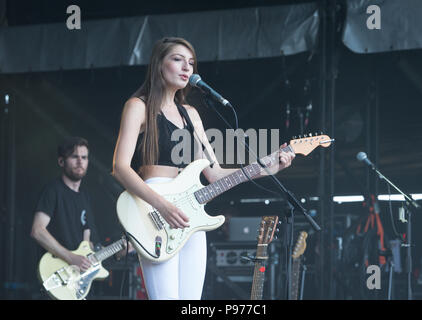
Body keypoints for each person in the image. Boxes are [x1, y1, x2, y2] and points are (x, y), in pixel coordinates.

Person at [112, 37, 295, 300]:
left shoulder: (191, 114)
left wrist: (269, 166)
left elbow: (215, 174)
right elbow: (120, 167)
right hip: (153, 208)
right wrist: (164, 206)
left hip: (189, 214)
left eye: (191, 63)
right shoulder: (138, 106)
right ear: (158, 65)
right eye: (177, 59)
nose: (187, 68)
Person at [31, 137, 97, 273]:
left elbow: (87, 242)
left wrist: (118, 251)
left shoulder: (85, 197)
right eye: (75, 156)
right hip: (55, 271)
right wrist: (71, 258)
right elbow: (37, 231)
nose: (80, 161)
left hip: (77, 276)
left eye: (84, 157)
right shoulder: (52, 191)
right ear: (61, 161)